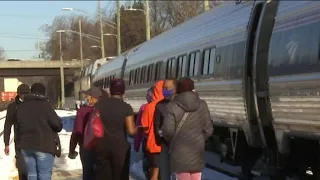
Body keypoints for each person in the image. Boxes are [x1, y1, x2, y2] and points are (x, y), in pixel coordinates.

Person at [162, 77, 213, 180]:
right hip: (197, 153)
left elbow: (168, 131)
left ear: (178, 89)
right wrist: (199, 140)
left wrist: (174, 141)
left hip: (179, 154)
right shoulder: (202, 105)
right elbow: (209, 129)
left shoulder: (172, 106)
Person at [94, 78, 141, 180]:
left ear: (110, 90)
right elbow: (131, 131)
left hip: (101, 146)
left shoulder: (98, 105)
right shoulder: (126, 107)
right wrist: (140, 129)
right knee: (120, 176)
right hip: (120, 149)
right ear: (123, 91)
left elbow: (93, 125)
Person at [16, 83, 62, 180]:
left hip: (26, 146)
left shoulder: (21, 106)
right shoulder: (45, 105)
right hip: (44, 146)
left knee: (31, 175)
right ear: (43, 92)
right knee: (44, 175)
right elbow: (57, 125)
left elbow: (18, 126)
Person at [69, 87, 103, 180]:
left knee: (88, 173)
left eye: (87, 96)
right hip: (102, 147)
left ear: (91, 98)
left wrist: (71, 149)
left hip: (86, 147)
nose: (85, 98)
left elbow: (77, 132)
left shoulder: (82, 111)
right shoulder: (105, 110)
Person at [3, 84, 30, 180]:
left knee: (32, 169)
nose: (24, 96)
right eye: (22, 94)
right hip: (20, 142)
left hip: (34, 140)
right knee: (22, 168)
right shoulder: (12, 107)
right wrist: (6, 143)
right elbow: (7, 126)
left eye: (26, 94)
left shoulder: (33, 105)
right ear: (18, 94)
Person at [154, 78, 177, 180]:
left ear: (175, 89)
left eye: (167, 88)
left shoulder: (181, 104)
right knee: (164, 175)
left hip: (178, 147)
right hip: (165, 145)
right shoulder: (160, 106)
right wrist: (160, 135)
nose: (164, 90)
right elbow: (157, 124)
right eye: (164, 88)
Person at [141, 80, 164, 180]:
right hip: (167, 146)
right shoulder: (170, 105)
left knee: (154, 171)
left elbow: (144, 127)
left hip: (153, 145)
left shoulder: (149, 107)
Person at [134, 86, 154, 179]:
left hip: (147, 142)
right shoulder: (166, 106)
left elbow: (139, 128)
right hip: (161, 144)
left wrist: (136, 144)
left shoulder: (143, 108)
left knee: (147, 166)